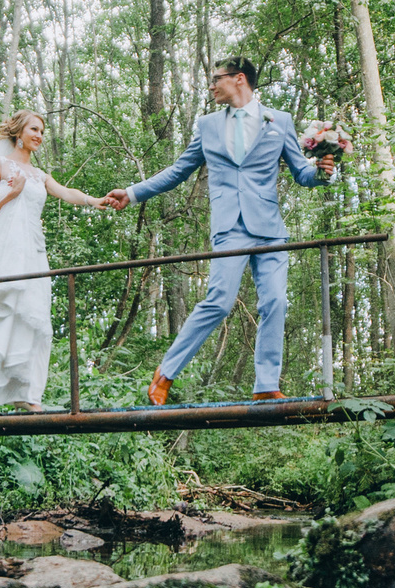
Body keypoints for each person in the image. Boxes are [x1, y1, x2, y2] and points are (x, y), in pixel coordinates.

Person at [98, 58, 341, 403]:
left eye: (217, 79)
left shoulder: (279, 121)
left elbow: (302, 173)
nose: (212, 86)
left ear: (239, 79)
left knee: (275, 302)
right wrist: (133, 193)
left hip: (270, 228)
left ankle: (266, 385)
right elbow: (179, 170)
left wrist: (323, 172)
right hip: (229, 228)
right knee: (219, 302)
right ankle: (166, 373)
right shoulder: (208, 125)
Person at [0, 109, 109, 410]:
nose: (39, 136)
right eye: (34, 129)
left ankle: (25, 393)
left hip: (34, 251)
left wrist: (94, 201)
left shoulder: (39, 175)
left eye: (42, 132)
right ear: (19, 132)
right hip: (6, 250)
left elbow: (66, 192)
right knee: (2, 310)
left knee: (33, 318)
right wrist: (10, 194)